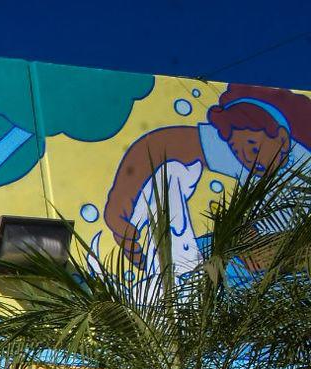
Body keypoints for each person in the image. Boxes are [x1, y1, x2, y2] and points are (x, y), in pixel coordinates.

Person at [104, 84, 311, 268]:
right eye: (236, 150)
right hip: (259, 252)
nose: (247, 159)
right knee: (195, 258)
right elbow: (159, 145)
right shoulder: (245, 143)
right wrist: (117, 209)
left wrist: (273, 252)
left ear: (283, 139)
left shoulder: (304, 166)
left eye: (254, 149)